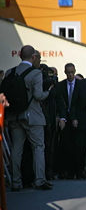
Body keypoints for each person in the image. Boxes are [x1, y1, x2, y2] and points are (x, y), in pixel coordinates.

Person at [4, 45, 52, 191]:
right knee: (38, 147)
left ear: (20, 56)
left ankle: (16, 182)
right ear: (33, 57)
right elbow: (38, 95)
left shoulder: (9, 72)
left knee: (16, 149)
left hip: (14, 116)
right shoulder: (36, 73)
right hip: (32, 116)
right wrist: (48, 92)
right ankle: (39, 181)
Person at [55, 63, 79, 180]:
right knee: (64, 145)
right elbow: (59, 103)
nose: (70, 75)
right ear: (65, 72)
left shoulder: (80, 84)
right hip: (64, 119)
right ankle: (63, 170)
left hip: (76, 119)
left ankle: (74, 171)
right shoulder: (60, 86)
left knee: (76, 146)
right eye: (68, 72)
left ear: (75, 71)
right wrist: (62, 117)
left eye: (72, 72)